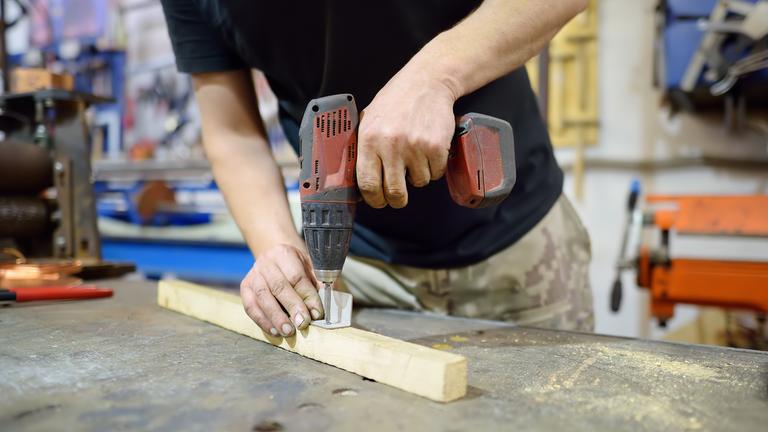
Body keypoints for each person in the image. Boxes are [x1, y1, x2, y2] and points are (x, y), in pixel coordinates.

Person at [160, 0, 594, 338]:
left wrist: (433, 78)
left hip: (519, 250)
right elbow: (232, 134)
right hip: (357, 268)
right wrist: (276, 247)